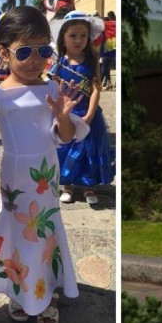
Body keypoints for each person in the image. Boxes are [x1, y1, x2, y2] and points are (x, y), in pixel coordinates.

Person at [0, 6, 88, 323]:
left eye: (43, 50)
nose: (34, 59)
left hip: (47, 173)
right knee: (16, 229)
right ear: (4, 52)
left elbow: (65, 138)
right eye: (24, 51)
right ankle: (18, 291)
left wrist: (64, 117)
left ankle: (46, 292)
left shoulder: (53, 90)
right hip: (14, 175)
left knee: (44, 231)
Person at [49, 11, 115, 205]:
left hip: (88, 113)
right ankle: (67, 185)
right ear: (63, 38)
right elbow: (54, 88)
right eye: (73, 36)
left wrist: (89, 114)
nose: (78, 40)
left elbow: (96, 88)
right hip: (67, 114)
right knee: (66, 149)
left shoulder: (92, 60)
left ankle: (88, 187)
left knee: (89, 150)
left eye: (83, 36)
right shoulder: (59, 62)